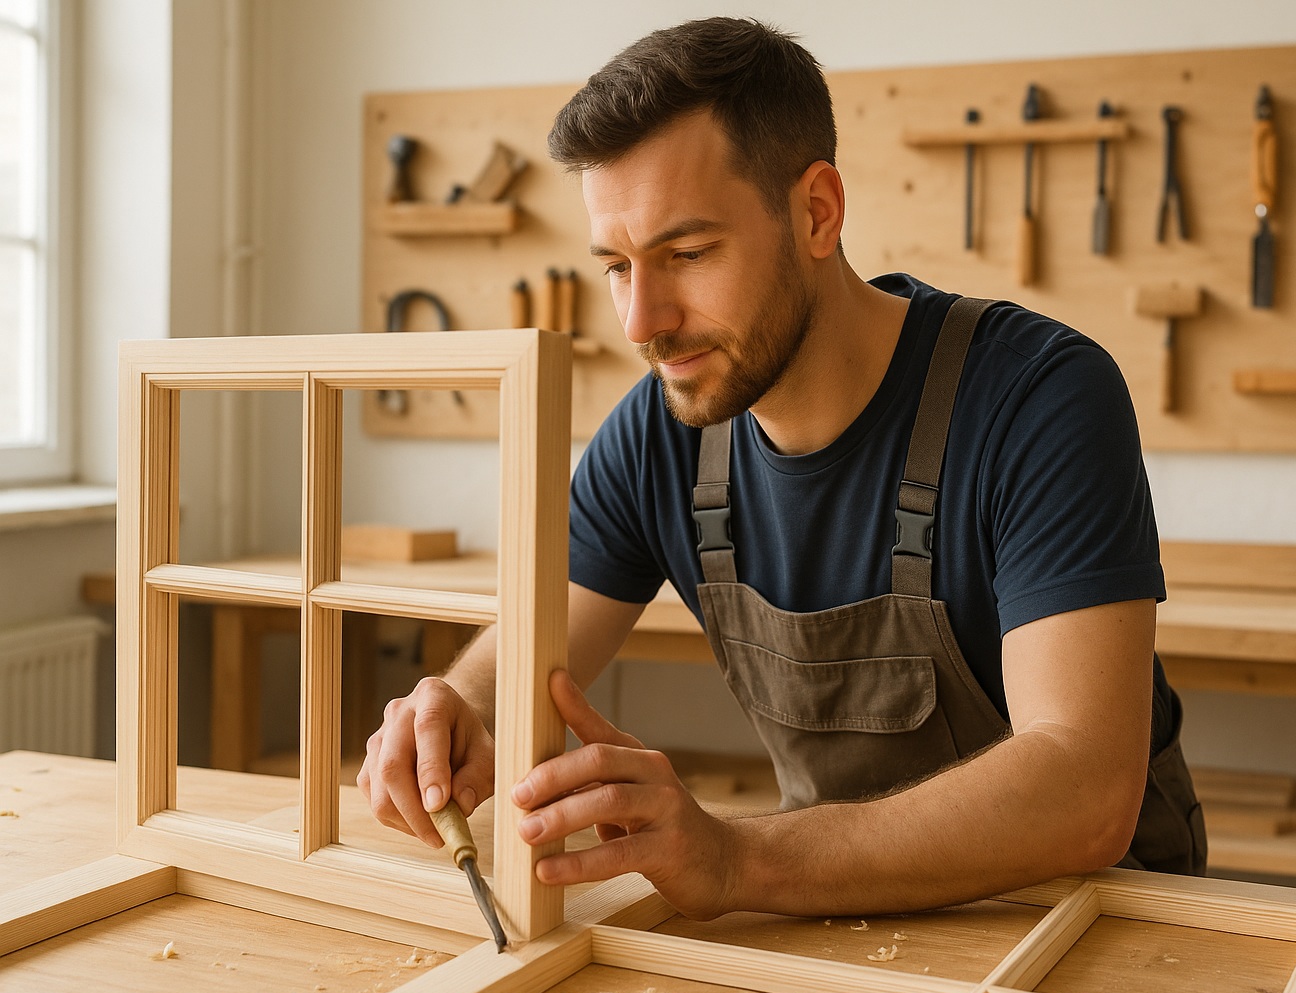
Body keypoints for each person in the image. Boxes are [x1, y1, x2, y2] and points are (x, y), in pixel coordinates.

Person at [358, 16, 1205, 921]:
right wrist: (465, 706)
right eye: (616, 266)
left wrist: (736, 859)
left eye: (686, 254)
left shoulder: (1039, 397)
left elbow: (1082, 791)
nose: (642, 321)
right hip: (841, 921)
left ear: (816, 212)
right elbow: (532, 650)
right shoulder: (662, 431)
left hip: (1100, 934)